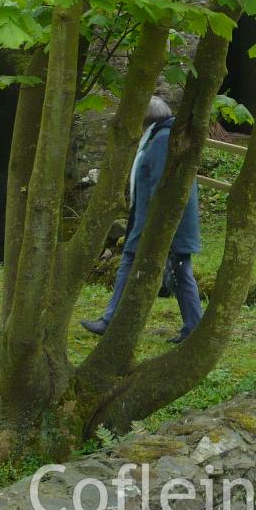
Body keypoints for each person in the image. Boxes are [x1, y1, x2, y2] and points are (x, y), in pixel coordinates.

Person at [82, 96, 203, 342]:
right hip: (158, 220)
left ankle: (111, 320)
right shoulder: (161, 138)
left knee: (137, 264)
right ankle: (193, 328)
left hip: (161, 222)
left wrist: (151, 228)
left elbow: (161, 187)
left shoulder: (160, 141)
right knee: (178, 273)